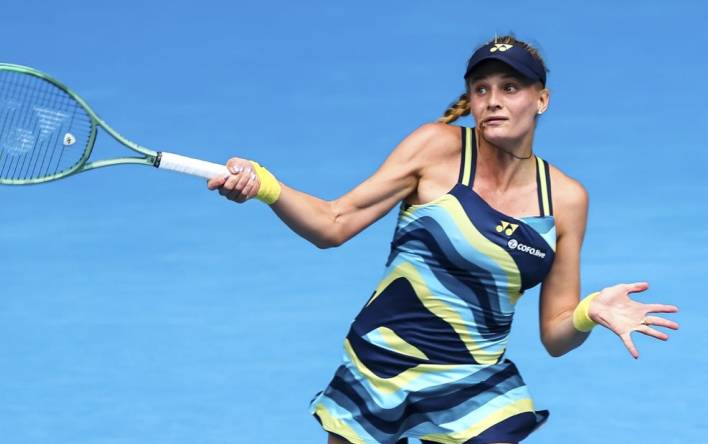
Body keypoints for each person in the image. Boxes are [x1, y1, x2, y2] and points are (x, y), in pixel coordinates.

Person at [206, 35, 680, 444]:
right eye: (481, 89)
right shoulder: (436, 148)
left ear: (542, 99)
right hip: (381, 364)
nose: (493, 100)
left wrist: (588, 311)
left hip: (474, 383)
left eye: (510, 87)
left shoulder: (566, 198)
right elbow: (333, 223)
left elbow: (555, 335)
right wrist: (266, 187)